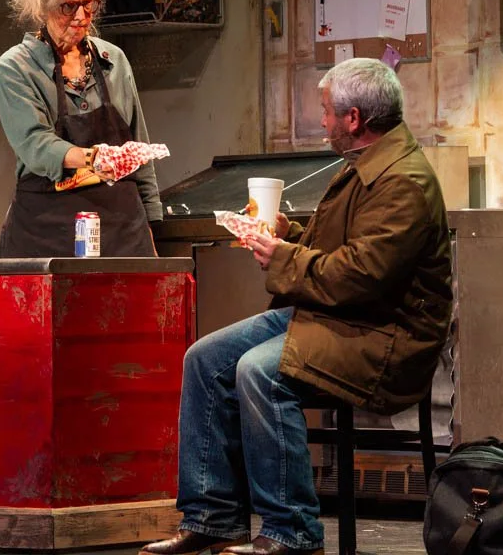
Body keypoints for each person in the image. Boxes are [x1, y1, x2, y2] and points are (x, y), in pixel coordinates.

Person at [142, 58, 452, 555]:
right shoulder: (364, 169)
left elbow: (361, 276)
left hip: (386, 336)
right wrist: (289, 234)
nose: (323, 122)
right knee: (205, 359)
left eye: (328, 112)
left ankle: (292, 531)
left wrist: (283, 257)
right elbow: (340, 253)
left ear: (355, 119)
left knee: (259, 371)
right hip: (338, 316)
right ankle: (214, 517)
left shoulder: (403, 183)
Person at [0, 0, 161, 257]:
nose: (82, 17)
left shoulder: (113, 61)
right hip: (45, 231)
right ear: (42, 8)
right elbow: (36, 146)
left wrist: (153, 227)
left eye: (89, 4)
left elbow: (139, 150)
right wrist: (96, 158)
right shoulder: (16, 67)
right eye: (68, 6)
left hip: (121, 233)